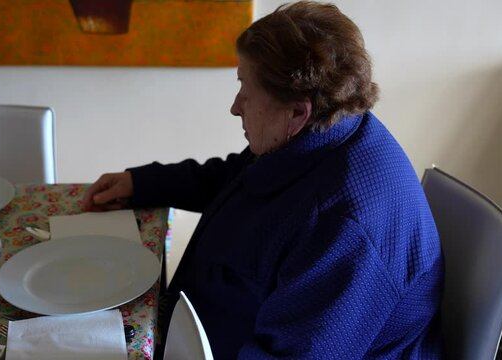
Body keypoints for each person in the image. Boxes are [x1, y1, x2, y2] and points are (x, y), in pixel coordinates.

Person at [82, 1, 443, 358]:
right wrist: (141, 183)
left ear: (297, 112)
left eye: (245, 89)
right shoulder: (318, 132)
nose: (235, 106)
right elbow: (233, 177)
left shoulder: (346, 229)